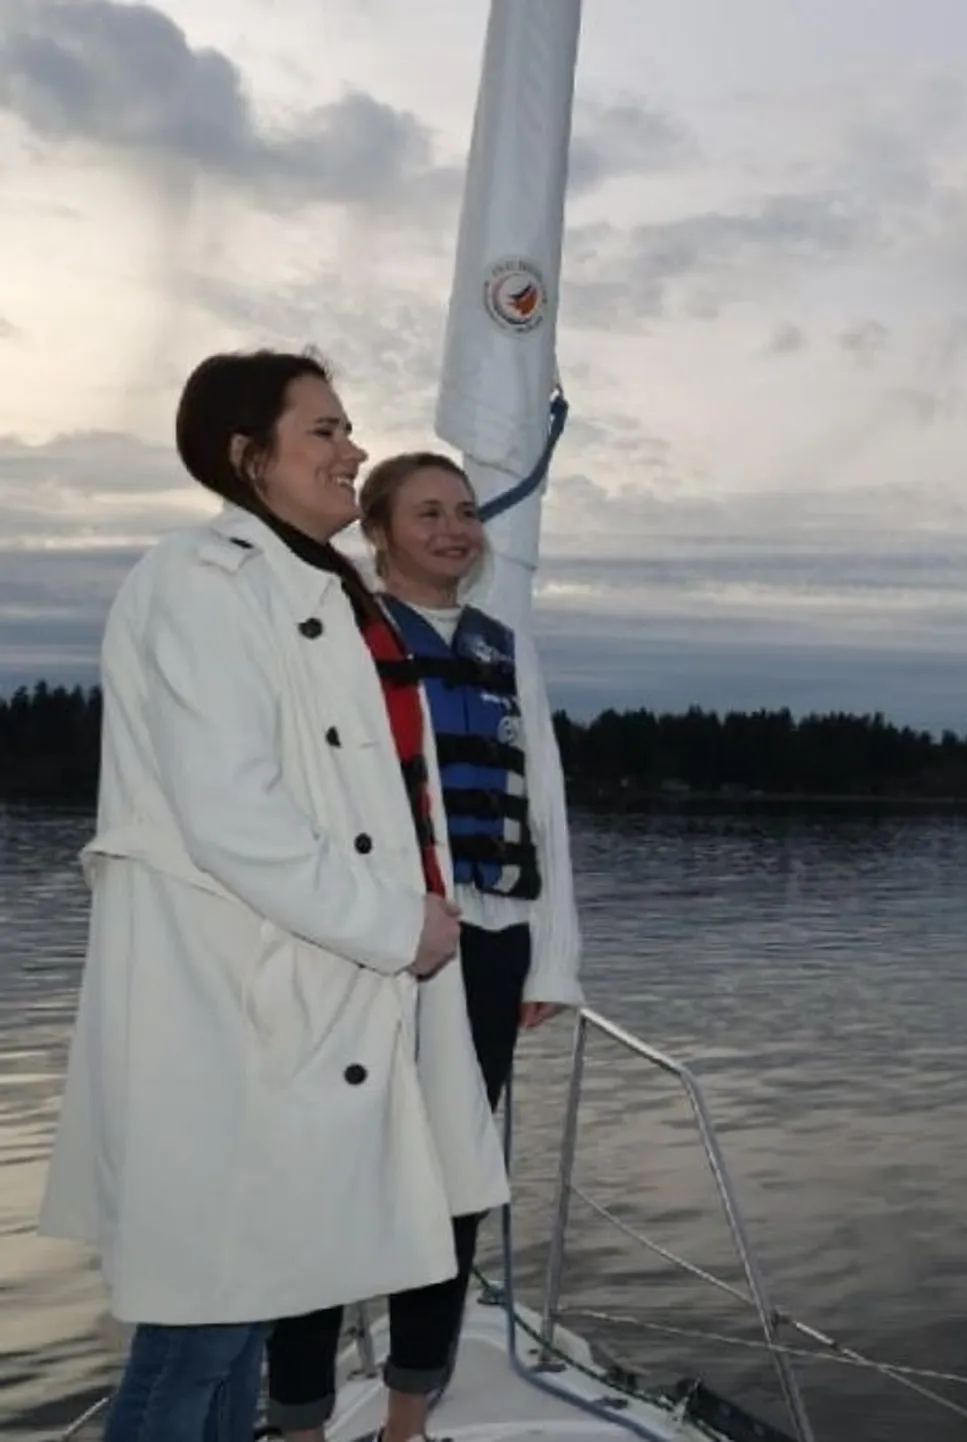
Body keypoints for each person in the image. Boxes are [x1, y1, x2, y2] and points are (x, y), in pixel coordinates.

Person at [36, 350, 510, 1442]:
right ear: (248, 457)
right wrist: (403, 924)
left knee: (241, 1317)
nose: (352, 450)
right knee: (203, 1323)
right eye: (326, 431)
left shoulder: (320, 591)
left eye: (346, 429)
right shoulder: (201, 582)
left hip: (305, 995)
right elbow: (234, 814)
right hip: (232, 1004)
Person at [264, 450, 584, 1442]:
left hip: (486, 946)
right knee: (331, 1174)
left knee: (453, 1179)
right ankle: (302, 1418)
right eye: (428, 512)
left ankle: (409, 1412)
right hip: (371, 947)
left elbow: (547, 815)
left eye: (466, 511)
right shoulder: (340, 634)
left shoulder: (506, 647)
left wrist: (551, 959)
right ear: (379, 529)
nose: (454, 528)